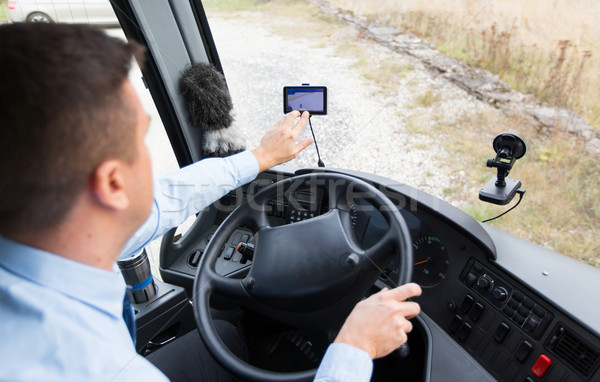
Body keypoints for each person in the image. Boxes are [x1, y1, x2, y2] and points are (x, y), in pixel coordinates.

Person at [0, 23, 421, 381]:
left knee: (227, 333)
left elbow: (165, 199)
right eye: (139, 141)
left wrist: (260, 158)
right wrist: (354, 348)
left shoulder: (47, 229)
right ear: (112, 184)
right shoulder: (91, 367)